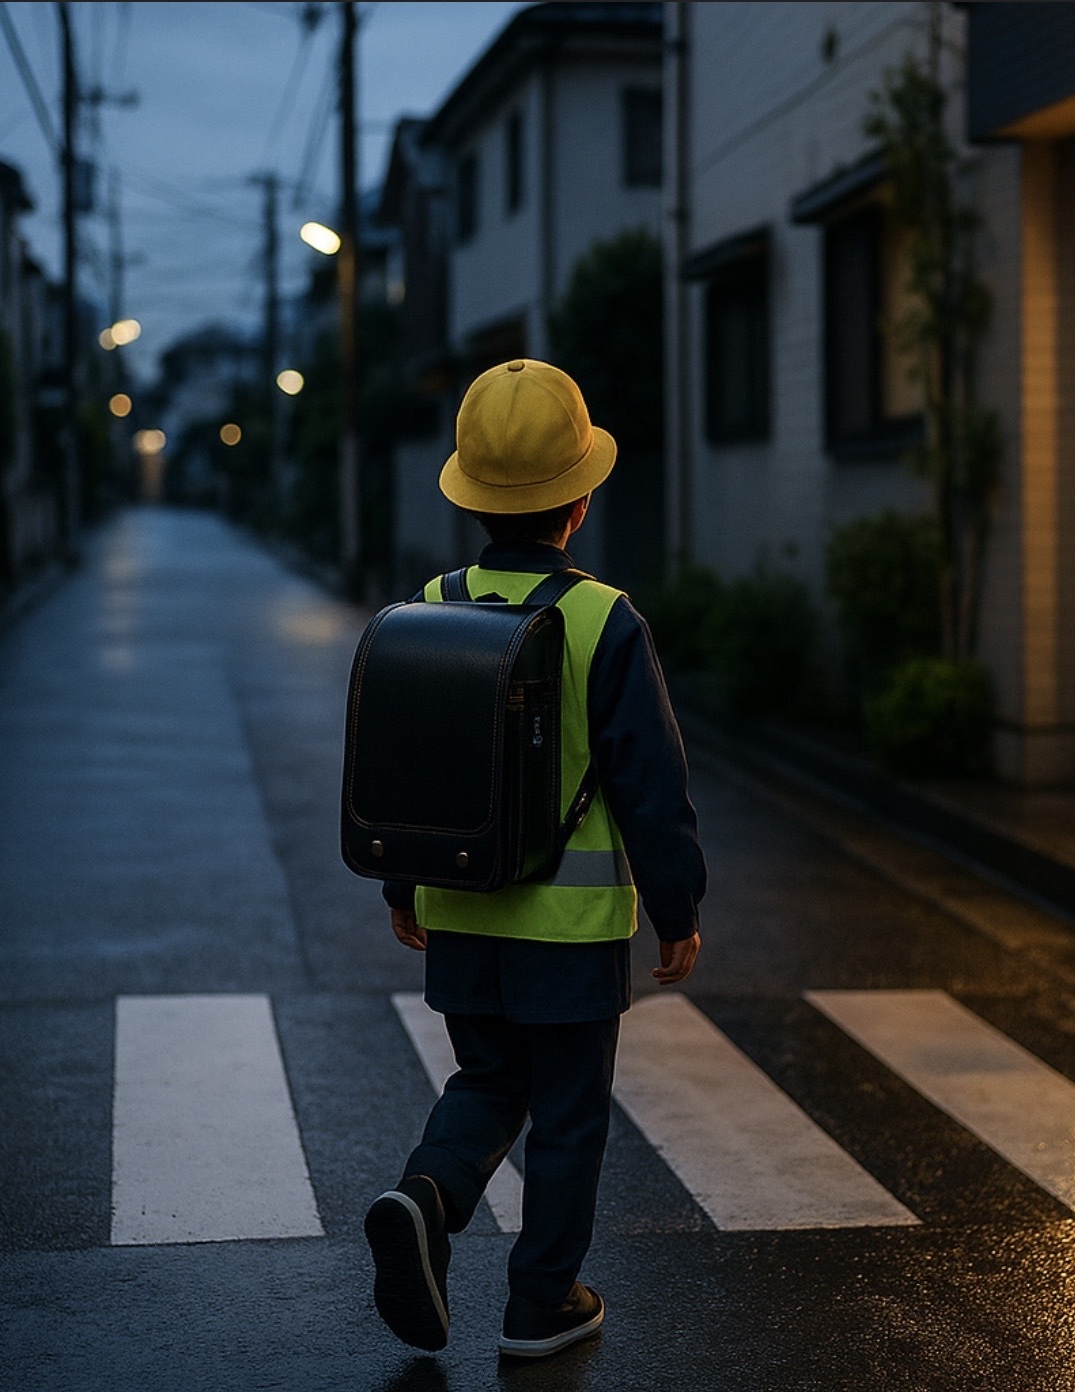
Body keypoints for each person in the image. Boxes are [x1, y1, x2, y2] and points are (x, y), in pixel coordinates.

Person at [364, 358, 705, 1363]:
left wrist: (402, 883)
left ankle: (425, 1196)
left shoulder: (433, 603)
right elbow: (651, 782)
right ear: (581, 499)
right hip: (571, 931)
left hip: (462, 907)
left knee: (484, 1077)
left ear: (468, 493)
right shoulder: (605, 619)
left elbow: (413, 765)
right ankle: (539, 1303)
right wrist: (677, 906)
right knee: (565, 1114)